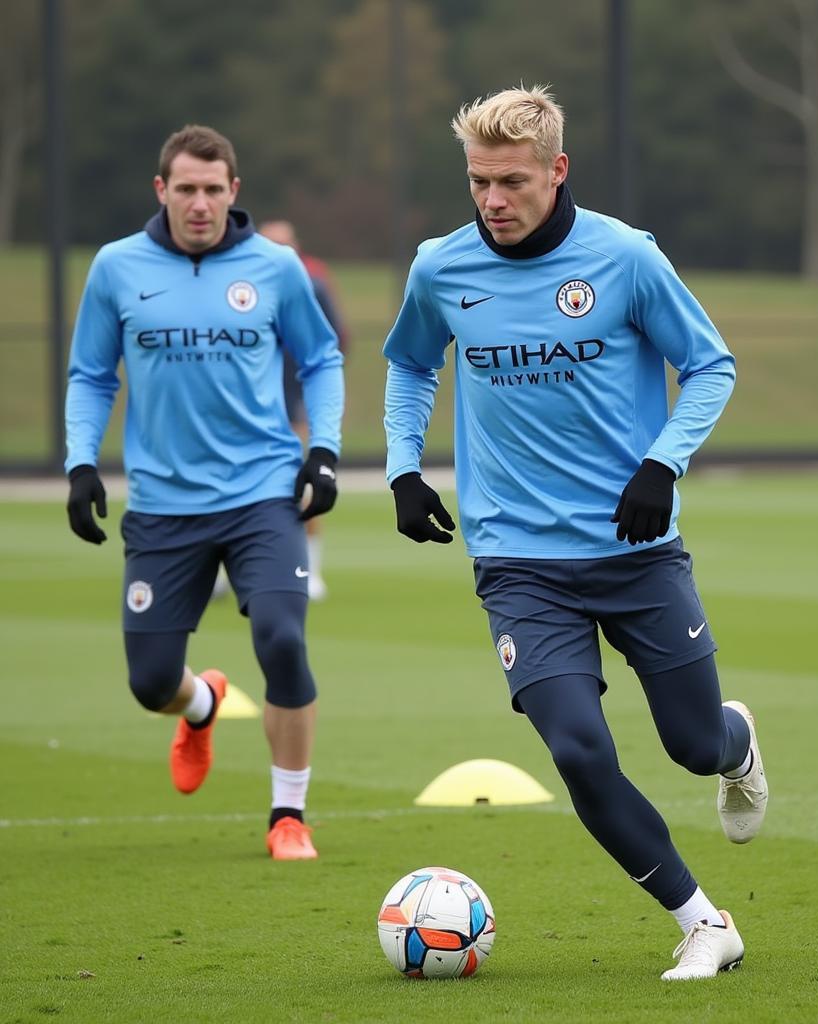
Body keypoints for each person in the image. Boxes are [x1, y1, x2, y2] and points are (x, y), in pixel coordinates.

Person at [382, 86, 768, 980]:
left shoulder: (626, 258)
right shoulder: (441, 269)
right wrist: (404, 466)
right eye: (478, 182)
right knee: (578, 749)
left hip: (635, 551)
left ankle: (734, 743)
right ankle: (704, 922)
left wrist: (662, 463)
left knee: (691, 745)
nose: (492, 202)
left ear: (558, 171)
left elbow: (710, 364)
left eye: (511, 181)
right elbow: (408, 363)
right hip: (518, 561)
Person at [64, 124, 344, 861]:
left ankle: (288, 815)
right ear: (162, 190)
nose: (199, 203)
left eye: (212, 190)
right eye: (185, 189)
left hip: (261, 493)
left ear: (233, 192)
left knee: (283, 638)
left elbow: (321, 360)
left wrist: (323, 452)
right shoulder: (116, 267)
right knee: (151, 683)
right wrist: (79, 463)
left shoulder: (276, 268)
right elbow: (91, 375)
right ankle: (202, 703)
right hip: (161, 504)